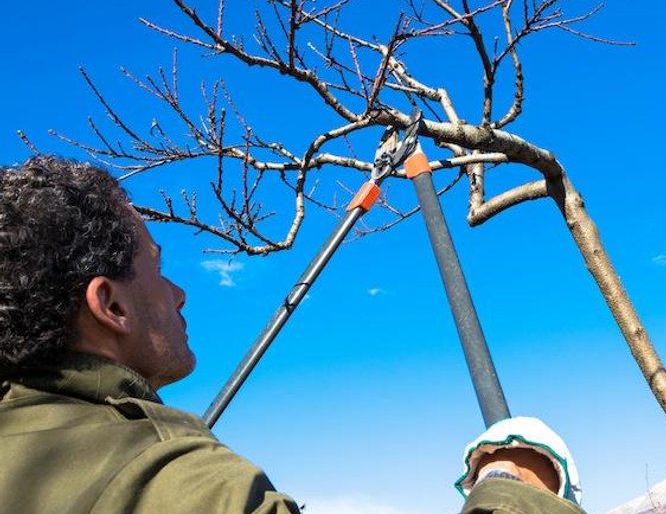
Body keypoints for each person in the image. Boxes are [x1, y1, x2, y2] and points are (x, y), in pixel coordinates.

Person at [0, 155, 584, 514]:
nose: (178, 293)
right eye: (156, 267)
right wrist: (513, 485)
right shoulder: (184, 490)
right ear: (110, 306)